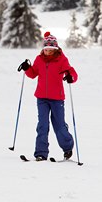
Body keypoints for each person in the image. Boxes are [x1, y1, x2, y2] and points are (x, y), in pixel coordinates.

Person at [18, 32, 78, 161]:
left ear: (55, 49)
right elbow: (33, 74)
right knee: (42, 125)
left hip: (57, 99)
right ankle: (41, 153)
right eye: (46, 49)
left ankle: (67, 147)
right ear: (43, 49)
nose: (48, 52)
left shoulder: (61, 59)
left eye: (51, 49)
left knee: (59, 125)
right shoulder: (39, 59)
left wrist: (70, 77)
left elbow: (72, 73)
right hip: (42, 98)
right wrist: (27, 68)